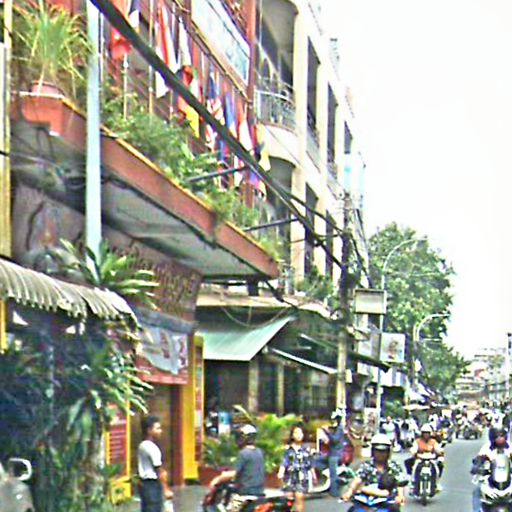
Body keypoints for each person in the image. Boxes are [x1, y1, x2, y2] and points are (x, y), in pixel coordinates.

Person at [209, 424, 265, 512]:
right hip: (259, 493)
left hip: (245, 494)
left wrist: (217, 480)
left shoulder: (243, 453)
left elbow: (233, 473)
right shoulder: (259, 452)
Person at [341, 434, 406, 508]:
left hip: (389, 501)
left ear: (388, 452)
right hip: (368, 500)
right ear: (373, 451)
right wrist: (349, 493)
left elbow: (400, 483)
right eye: (377, 451)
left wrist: (400, 496)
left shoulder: (394, 466)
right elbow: (358, 479)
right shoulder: (367, 465)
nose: (380, 454)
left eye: (383, 451)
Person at [471, 426, 512, 512]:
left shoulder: (510, 448)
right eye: (497, 436)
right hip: (490, 479)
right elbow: (478, 460)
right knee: (477, 491)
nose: (499, 438)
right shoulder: (486, 448)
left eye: (501, 435)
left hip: (508, 479)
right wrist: (477, 467)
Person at [138, 415, 173, 512]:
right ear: (149, 430)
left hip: (146, 485)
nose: (160, 431)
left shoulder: (143, 445)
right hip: (151, 484)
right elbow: (158, 470)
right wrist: (166, 489)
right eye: (157, 428)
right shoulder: (150, 447)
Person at [277, 425, 315, 512]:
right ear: (292, 435)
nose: (298, 435)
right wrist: (281, 472)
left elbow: (310, 464)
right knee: (288, 500)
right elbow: (284, 462)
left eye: (300, 433)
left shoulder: (307, 449)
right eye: (296, 433)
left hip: (302, 477)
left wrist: (314, 476)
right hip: (289, 477)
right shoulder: (288, 449)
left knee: (299, 498)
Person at [405, 424, 444, 494]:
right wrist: (414, 452)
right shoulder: (417, 441)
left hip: (431, 459)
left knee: (438, 467)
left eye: (427, 433)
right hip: (420, 458)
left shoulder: (433, 442)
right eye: (424, 433)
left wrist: (439, 452)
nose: (426, 435)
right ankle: (413, 482)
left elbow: (437, 449)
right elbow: (414, 448)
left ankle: (436, 483)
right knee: (414, 467)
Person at [321, 407, 346, 498]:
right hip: (331, 453)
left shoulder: (339, 429)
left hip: (335, 455)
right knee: (317, 461)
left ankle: (334, 492)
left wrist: (327, 432)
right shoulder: (335, 429)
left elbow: (335, 440)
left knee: (333, 474)